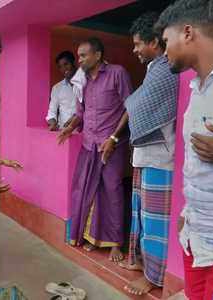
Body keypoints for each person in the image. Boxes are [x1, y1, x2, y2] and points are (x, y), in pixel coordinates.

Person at [156, 0, 213, 299]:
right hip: (195, 237)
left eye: (165, 41)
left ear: (187, 32)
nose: (164, 52)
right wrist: (188, 212)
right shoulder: (197, 88)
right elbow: (197, 161)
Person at [119, 12, 179, 296]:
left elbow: (138, 106)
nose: (135, 50)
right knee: (141, 217)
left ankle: (154, 278)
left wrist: (132, 103)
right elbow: (137, 102)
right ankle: (142, 264)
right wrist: (134, 102)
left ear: (155, 42)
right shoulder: (155, 67)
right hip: (145, 156)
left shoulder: (167, 68)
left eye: (138, 44)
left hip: (160, 159)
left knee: (155, 223)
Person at [58, 38, 133, 262]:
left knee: (112, 191)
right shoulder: (82, 82)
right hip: (89, 144)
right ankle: (93, 237)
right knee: (86, 189)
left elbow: (130, 108)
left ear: (98, 55)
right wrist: (69, 128)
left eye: (83, 55)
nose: (78, 60)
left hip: (111, 145)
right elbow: (81, 113)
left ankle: (116, 244)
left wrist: (113, 137)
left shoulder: (117, 73)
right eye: (78, 56)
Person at [46, 51, 77, 131]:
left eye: (66, 64)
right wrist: (53, 123)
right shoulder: (57, 88)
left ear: (74, 63)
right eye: (60, 66)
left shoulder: (85, 84)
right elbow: (52, 111)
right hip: (63, 132)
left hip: (82, 132)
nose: (64, 69)